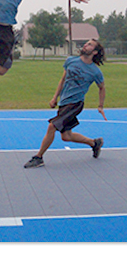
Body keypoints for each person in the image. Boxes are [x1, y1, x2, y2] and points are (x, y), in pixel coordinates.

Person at [24, 39, 106, 168]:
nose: (86, 45)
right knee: (66, 136)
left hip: (75, 104)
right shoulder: (71, 61)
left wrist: (100, 106)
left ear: (95, 52)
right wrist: (55, 97)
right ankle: (94, 143)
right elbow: (63, 80)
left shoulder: (95, 71)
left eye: (90, 44)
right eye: (86, 43)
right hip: (64, 102)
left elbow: (102, 87)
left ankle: (38, 157)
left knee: (52, 126)